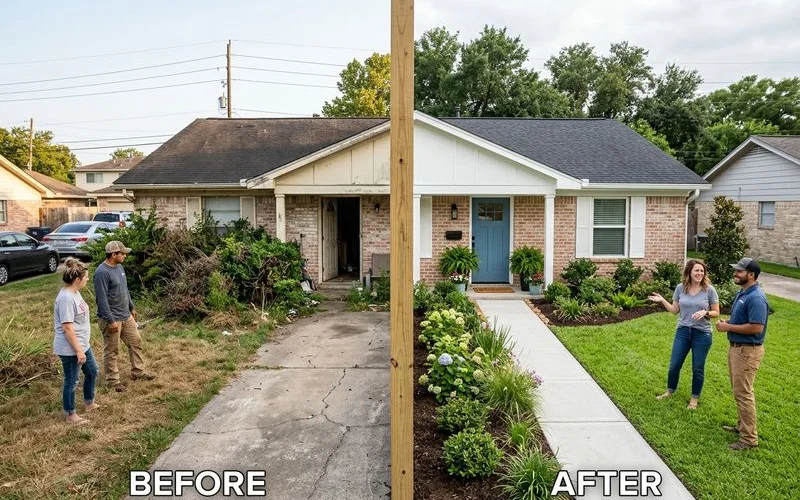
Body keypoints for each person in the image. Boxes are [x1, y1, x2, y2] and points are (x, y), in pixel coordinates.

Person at [649, 259, 720, 410]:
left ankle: (694, 398)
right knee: (674, 365)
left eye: (702, 271)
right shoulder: (681, 288)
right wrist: (662, 300)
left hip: (702, 334)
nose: (699, 273)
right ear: (689, 272)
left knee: (697, 368)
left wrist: (705, 312)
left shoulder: (709, 290)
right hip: (683, 331)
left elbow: (716, 312)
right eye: (696, 270)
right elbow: (675, 310)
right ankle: (670, 390)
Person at [715, 257, 768, 450]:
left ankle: (748, 439)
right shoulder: (743, 293)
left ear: (751, 275)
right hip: (737, 348)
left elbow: (756, 327)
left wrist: (728, 326)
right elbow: (743, 319)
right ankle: (741, 426)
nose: (735, 274)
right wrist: (729, 322)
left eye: (739, 271)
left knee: (744, 393)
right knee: (739, 391)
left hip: (747, 351)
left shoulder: (756, 298)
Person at [94, 240, 155, 393]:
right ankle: (113, 381)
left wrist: (131, 306)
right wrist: (110, 320)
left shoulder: (120, 267)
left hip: (125, 315)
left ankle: (138, 372)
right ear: (113, 254)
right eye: (122, 253)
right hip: (111, 318)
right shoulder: (102, 273)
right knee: (112, 350)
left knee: (136, 341)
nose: (125, 256)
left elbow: (124, 289)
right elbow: (101, 300)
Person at [54, 258, 99, 423]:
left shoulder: (75, 292)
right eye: (85, 277)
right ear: (77, 279)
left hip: (81, 344)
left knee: (92, 371)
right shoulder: (66, 298)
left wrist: (83, 345)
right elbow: (67, 328)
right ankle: (70, 414)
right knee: (72, 381)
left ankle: (89, 403)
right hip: (70, 347)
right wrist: (79, 350)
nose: (87, 279)